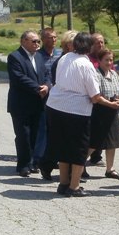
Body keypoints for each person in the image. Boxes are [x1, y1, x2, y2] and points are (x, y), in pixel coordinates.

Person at [46, 32, 114, 197]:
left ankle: (63, 183)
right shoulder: (86, 65)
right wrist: (112, 104)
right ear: (89, 46)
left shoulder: (65, 57)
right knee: (79, 149)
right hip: (76, 111)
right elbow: (95, 96)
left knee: (63, 145)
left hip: (55, 106)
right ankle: (74, 186)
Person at [8, 30, 48, 177]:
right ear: (23, 41)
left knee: (35, 135)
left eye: (38, 41)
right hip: (21, 104)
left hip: (38, 103)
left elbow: (46, 74)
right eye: (34, 41)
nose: (37, 44)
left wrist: (47, 86)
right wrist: (37, 88)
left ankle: (32, 162)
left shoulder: (39, 57)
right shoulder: (15, 57)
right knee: (23, 135)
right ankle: (23, 165)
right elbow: (18, 77)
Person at [40, 30, 77, 180]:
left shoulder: (74, 60)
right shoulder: (62, 61)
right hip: (60, 105)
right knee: (58, 140)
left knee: (70, 141)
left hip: (72, 106)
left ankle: (71, 172)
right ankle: (46, 164)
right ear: (69, 45)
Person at [87, 48, 119, 180]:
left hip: (112, 112)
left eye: (111, 59)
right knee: (94, 142)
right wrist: (110, 104)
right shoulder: (96, 74)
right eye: (106, 60)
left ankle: (110, 169)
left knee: (112, 142)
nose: (109, 62)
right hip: (100, 111)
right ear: (99, 60)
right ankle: (78, 165)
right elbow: (96, 96)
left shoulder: (114, 74)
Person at [33, 27, 58, 170]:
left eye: (54, 37)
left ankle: (52, 159)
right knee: (42, 129)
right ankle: (37, 159)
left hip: (58, 98)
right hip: (42, 97)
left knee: (54, 130)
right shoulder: (38, 56)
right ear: (43, 39)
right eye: (49, 37)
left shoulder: (59, 55)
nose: (53, 40)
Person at [87, 32, 106, 166]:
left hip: (105, 100)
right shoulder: (87, 60)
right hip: (91, 100)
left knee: (102, 129)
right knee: (92, 130)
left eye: (102, 42)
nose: (100, 44)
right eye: (97, 42)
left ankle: (96, 156)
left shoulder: (106, 58)